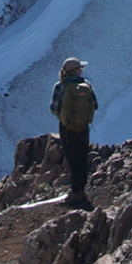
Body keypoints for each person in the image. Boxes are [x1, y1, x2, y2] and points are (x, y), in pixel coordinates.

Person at [49, 57, 97, 208]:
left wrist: (64, 118)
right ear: (76, 70)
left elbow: (54, 107)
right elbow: (95, 105)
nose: (82, 70)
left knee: (72, 158)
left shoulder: (60, 86)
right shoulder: (86, 85)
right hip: (83, 126)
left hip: (67, 127)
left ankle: (75, 192)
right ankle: (81, 190)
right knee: (83, 156)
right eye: (80, 68)